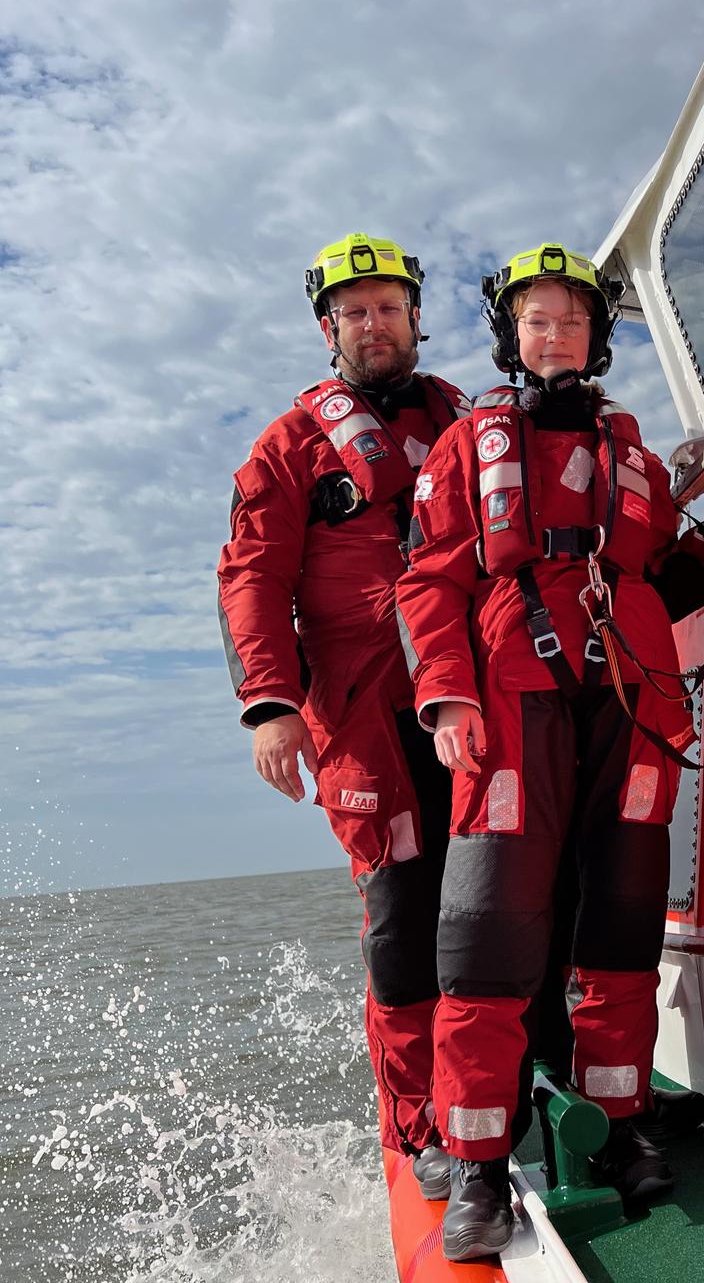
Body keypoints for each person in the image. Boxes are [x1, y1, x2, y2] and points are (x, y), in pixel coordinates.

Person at [396, 243, 704, 1260]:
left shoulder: (634, 454)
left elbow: (670, 577)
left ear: (597, 337)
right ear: (513, 335)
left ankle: (620, 1124)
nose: (557, 337)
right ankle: (480, 1169)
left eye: (574, 322)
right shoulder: (469, 445)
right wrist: (448, 699)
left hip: (630, 708)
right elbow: (428, 584)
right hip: (509, 709)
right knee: (490, 940)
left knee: (623, 927)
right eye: (538, 322)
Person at [217, 233, 472, 1200]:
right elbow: (251, 576)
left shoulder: (466, 417)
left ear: (414, 317)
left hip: (469, 694)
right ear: (331, 330)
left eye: (389, 307)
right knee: (403, 915)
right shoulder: (288, 448)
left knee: (497, 893)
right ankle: (419, 1130)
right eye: (355, 312)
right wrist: (270, 709)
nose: (375, 324)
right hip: (362, 709)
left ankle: (506, 1081)